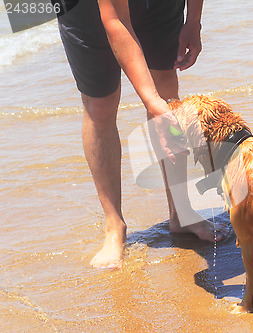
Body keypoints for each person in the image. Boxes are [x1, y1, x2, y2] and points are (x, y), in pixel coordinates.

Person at [56, 0, 228, 269]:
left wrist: (194, 21)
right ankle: (114, 226)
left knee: (166, 85)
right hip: (83, 9)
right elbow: (117, 22)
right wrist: (153, 103)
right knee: (100, 104)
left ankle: (180, 212)